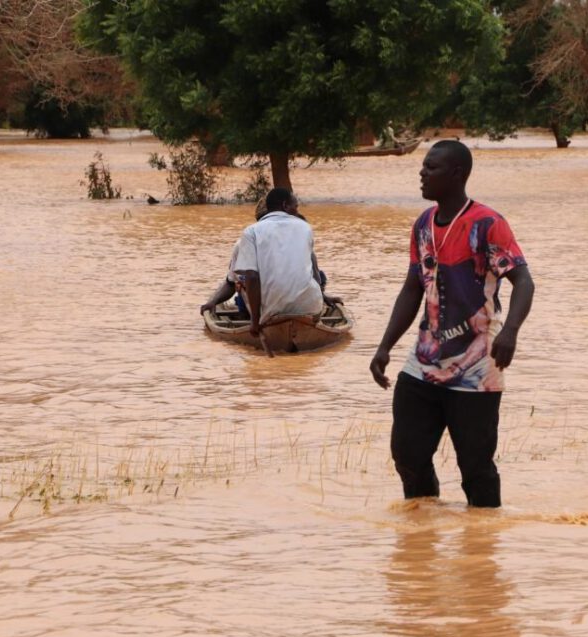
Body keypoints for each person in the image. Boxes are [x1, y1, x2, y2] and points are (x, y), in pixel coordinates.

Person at [370, 140, 535, 507]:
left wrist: (510, 331)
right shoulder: (423, 225)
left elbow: (523, 280)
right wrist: (384, 347)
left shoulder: (488, 223)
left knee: (475, 467)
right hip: (424, 362)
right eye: (424, 167)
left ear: (457, 174)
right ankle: (421, 536)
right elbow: (413, 289)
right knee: (407, 457)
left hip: (477, 367)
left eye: (432, 167)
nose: (422, 173)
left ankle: (480, 550)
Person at [199, 190, 337, 320]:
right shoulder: (304, 228)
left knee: (242, 281)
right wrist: (322, 297)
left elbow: (244, 279)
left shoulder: (250, 234)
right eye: (296, 207)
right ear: (285, 207)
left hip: (269, 308)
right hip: (309, 307)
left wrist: (255, 321)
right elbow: (314, 275)